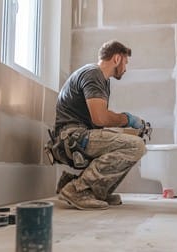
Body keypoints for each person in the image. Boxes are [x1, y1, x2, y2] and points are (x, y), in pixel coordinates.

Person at [54, 40, 146, 210]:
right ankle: (77, 190)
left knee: (131, 143)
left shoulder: (101, 79)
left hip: (76, 136)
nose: (125, 69)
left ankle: (95, 192)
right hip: (72, 137)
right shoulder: (93, 74)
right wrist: (127, 119)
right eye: (125, 62)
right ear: (117, 59)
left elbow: (97, 122)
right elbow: (100, 118)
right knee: (136, 146)